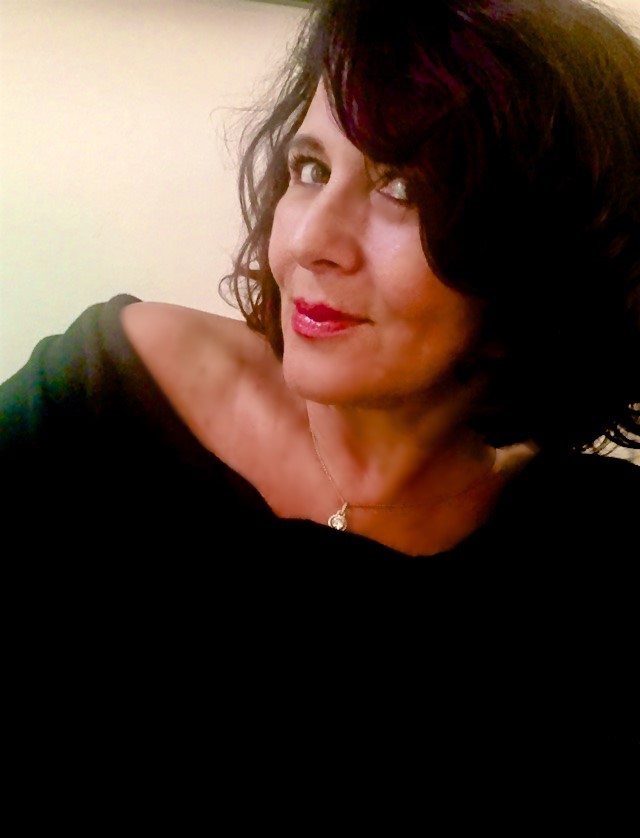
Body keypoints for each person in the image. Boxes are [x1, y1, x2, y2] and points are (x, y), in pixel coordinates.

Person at [1, 0, 639, 757]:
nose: (309, 240)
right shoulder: (114, 389)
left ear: (540, 259)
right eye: (310, 169)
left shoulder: (586, 554)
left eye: (404, 189)